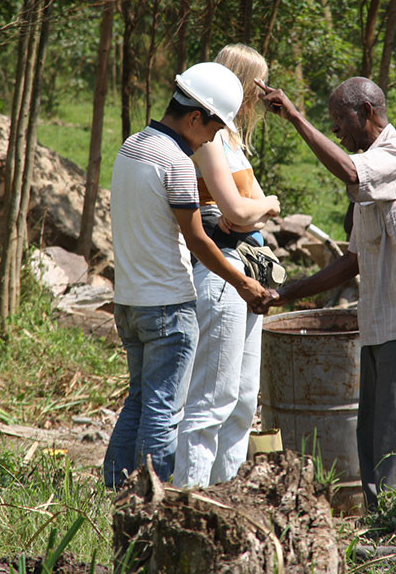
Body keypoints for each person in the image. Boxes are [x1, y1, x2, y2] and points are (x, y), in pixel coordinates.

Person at [256, 76, 396, 511]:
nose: (336, 129)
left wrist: (295, 118)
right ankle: (379, 521)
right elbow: (353, 259)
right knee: (371, 429)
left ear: (367, 112)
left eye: (339, 119)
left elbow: (351, 170)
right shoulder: (379, 166)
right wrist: (286, 293)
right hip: (381, 320)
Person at [103, 62, 273, 489]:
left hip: (130, 299)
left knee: (138, 402)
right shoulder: (177, 161)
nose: (212, 140)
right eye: (213, 130)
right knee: (165, 412)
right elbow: (197, 240)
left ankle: (116, 492)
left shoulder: (131, 146)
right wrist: (243, 281)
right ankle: (153, 505)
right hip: (167, 304)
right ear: (196, 117)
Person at [174, 45, 281, 488]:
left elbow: (242, 207)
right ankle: (193, 498)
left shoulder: (233, 141)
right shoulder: (212, 138)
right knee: (211, 402)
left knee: (241, 400)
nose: (261, 98)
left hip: (247, 270)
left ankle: (227, 494)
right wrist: (270, 204)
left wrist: (254, 207)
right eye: (257, 86)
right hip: (225, 269)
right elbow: (241, 211)